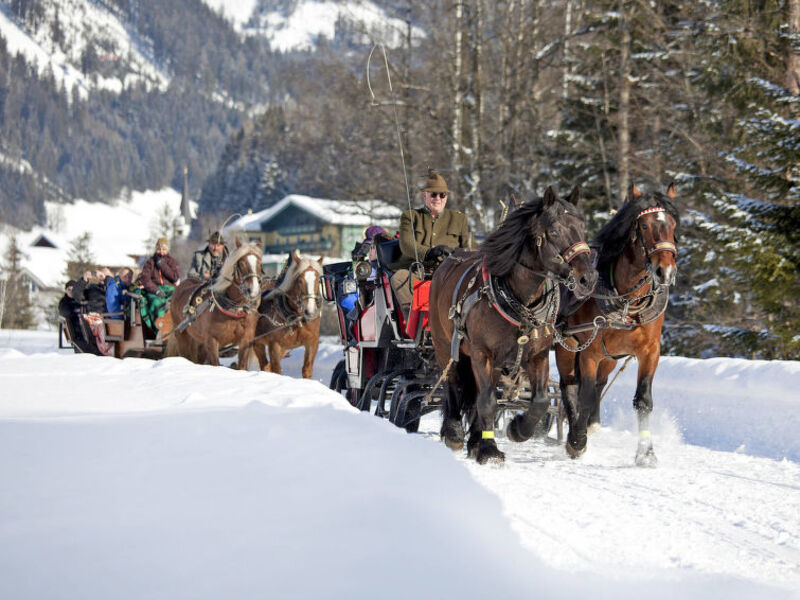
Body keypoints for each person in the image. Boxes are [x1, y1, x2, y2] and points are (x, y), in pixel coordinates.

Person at [389, 169, 471, 317]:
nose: (438, 198)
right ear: (425, 195)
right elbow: (406, 245)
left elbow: (468, 247)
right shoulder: (411, 217)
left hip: (449, 273)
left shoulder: (459, 219)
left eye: (442, 194)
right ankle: (415, 321)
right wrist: (430, 252)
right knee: (399, 278)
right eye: (433, 194)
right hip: (418, 271)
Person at [138, 237, 180, 330]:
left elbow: (175, 277)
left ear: (167, 249)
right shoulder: (150, 262)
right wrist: (156, 291)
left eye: (164, 249)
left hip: (170, 288)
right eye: (159, 249)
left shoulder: (172, 262)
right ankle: (160, 329)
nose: (161, 251)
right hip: (154, 289)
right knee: (157, 303)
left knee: (179, 301)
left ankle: (177, 328)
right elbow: (145, 279)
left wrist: (162, 265)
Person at [58, 280, 100, 354]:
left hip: (89, 328)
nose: (71, 291)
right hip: (77, 332)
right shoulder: (64, 302)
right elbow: (65, 313)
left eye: (73, 289)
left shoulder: (82, 300)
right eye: (69, 289)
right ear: (65, 291)